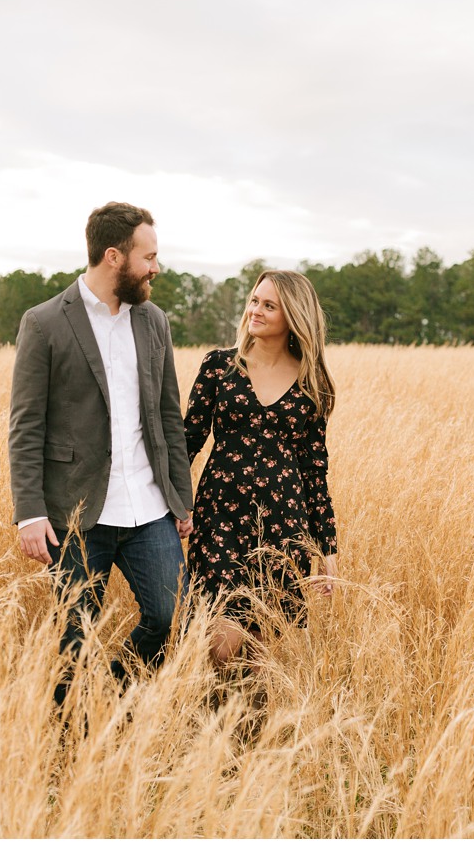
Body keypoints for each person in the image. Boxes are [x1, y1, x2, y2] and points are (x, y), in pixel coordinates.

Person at [8, 203, 193, 702]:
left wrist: (182, 500)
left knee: (165, 615)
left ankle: (116, 693)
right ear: (114, 257)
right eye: (148, 257)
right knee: (77, 637)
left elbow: (167, 416)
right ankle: (73, 741)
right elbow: (26, 425)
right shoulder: (44, 322)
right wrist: (29, 514)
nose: (156, 267)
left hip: (150, 507)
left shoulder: (154, 321)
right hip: (76, 512)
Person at [183, 271, 339, 671]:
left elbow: (314, 470)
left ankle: (243, 723)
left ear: (293, 316)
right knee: (222, 637)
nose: (255, 310)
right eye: (255, 301)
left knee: (260, 638)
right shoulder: (220, 366)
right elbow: (187, 442)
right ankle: (221, 710)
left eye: (269, 305)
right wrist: (174, 503)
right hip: (219, 516)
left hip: (283, 524)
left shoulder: (312, 381)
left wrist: (326, 549)